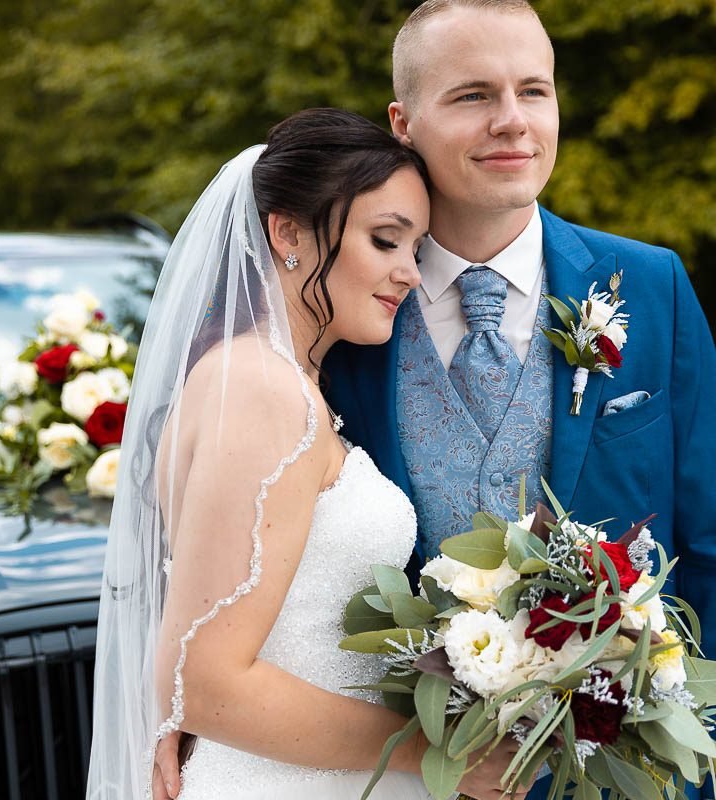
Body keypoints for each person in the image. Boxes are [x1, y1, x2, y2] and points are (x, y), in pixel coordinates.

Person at [321, 2, 716, 799]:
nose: (513, 122)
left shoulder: (651, 286)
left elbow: (708, 543)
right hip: (409, 774)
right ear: (403, 121)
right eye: (472, 96)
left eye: (533, 91)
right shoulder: (340, 315)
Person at [88, 106, 513, 800]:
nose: (409, 273)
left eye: (416, 249)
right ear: (286, 231)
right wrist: (435, 751)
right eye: (385, 240)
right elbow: (206, 684)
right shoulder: (260, 390)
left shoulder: (265, 378)